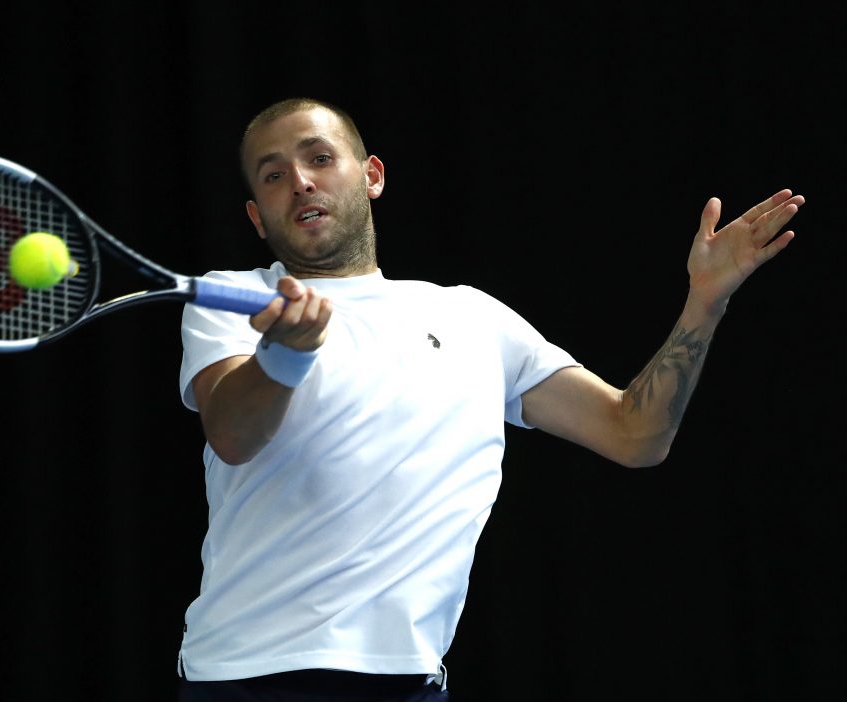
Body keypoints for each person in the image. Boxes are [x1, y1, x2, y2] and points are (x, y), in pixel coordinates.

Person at [174, 97, 804, 701]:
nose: (301, 183)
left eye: (319, 158)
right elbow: (232, 434)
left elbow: (633, 435)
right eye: (274, 174)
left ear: (372, 176)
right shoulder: (234, 300)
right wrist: (285, 353)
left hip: (410, 679)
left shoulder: (473, 317)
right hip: (249, 675)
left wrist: (706, 299)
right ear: (257, 215)